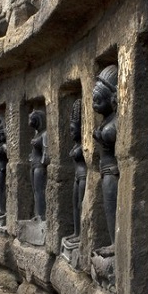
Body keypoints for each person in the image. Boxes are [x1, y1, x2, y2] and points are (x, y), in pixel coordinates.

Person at [92, 65, 119, 247]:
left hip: (112, 172)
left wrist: (101, 135)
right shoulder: (107, 120)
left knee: (112, 209)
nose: (94, 106)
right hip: (105, 171)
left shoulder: (115, 120)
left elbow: (111, 135)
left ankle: (115, 244)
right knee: (108, 208)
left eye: (98, 101)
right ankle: (112, 243)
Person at [66, 99, 86, 244]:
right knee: (74, 204)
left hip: (84, 176)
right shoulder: (76, 145)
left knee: (81, 204)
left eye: (73, 130)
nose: (71, 133)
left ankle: (82, 235)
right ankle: (76, 232)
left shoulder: (84, 145)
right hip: (77, 177)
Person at [28, 110, 49, 220]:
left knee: (40, 190)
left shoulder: (45, 134)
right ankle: (37, 213)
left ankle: (41, 215)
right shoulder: (37, 133)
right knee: (35, 191)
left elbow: (46, 152)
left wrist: (43, 162)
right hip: (33, 164)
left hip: (39, 167)